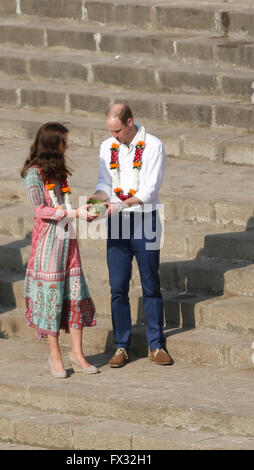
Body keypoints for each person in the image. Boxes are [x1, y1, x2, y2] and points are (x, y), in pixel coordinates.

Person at [90, 103, 173, 368]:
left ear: (129, 122)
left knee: (150, 283)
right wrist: (97, 198)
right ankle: (122, 346)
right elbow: (106, 182)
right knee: (117, 286)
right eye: (110, 131)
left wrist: (120, 204)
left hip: (145, 218)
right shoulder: (107, 147)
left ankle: (156, 345)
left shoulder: (153, 145)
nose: (114, 136)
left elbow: (149, 189)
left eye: (117, 131)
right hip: (116, 221)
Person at [21, 122, 99, 377]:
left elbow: (63, 201)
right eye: (65, 141)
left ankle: (77, 353)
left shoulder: (59, 173)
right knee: (51, 298)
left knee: (74, 293)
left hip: (68, 240)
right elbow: (40, 210)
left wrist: (80, 213)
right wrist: (73, 212)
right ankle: (55, 355)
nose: (68, 145)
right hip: (47, 244)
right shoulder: (34, 174)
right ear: (54, 145)